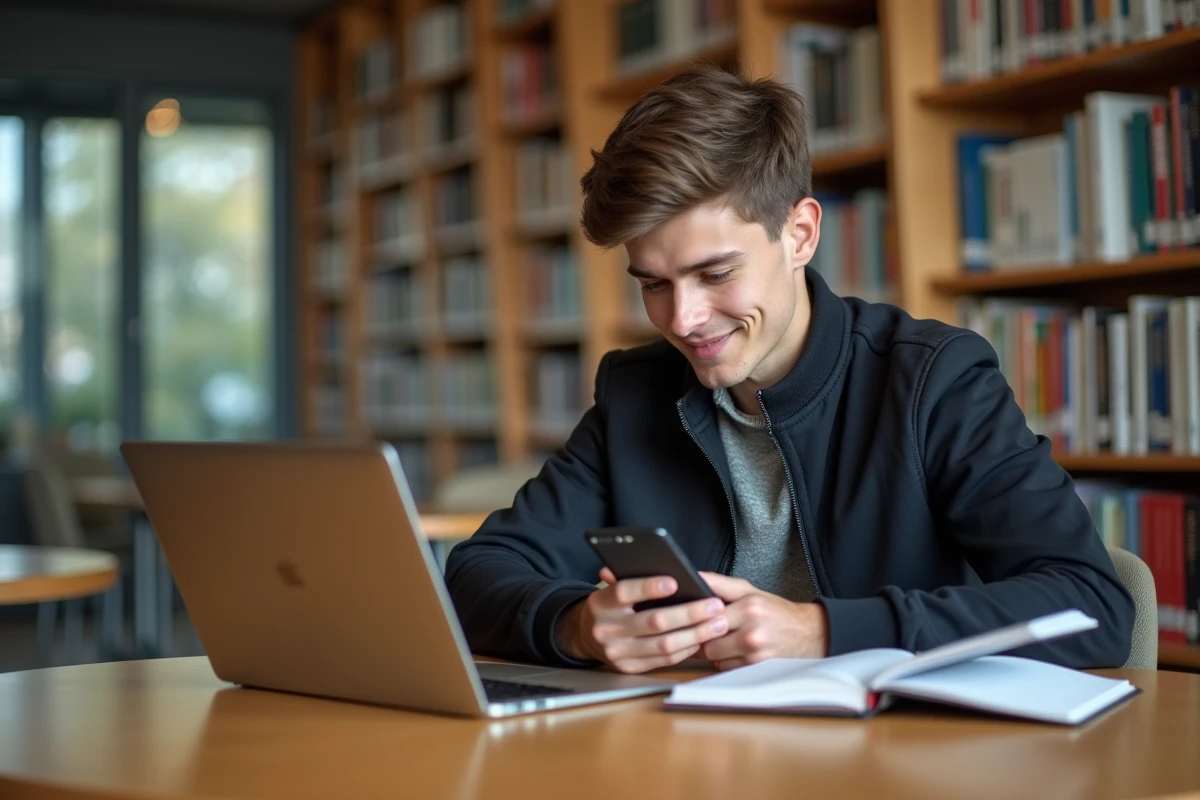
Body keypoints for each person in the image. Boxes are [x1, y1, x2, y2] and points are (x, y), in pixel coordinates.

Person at [444, 67, 1134, 674]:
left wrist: (826, 631)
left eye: (715, 273)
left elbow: (1092, 604)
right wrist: (577, 627)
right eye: (652, 283)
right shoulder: (636, 393)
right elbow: (476, 572)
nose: (682, 318)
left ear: (800, 233)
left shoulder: (934, 380)